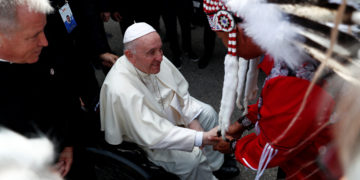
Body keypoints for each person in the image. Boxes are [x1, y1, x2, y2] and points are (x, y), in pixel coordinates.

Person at [202, 0, 337, 179]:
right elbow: (278, 107)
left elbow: (273, 146)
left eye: (222, 38)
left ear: (241, 32)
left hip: (312, 169)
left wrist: (234, 147)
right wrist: (245, 122)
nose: (226, 47)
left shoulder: (294, 79)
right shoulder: (296, 50)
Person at [100, 22, 239, 180]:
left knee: (208, 113)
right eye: (152, 52)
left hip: (171, 116)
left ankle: (216, 166)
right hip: (149, 139)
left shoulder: (154, 57)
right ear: (130, 56)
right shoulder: (119, 88)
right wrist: (200, 137)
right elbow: (150, 133)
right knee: (192, 159)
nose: (160, 57)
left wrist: (191, 118)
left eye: (160, 49)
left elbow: (179, 90)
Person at [0, 0, 78, 177]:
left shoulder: (41, 42)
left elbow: (65, 91)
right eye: (34, 36)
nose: (45, 42)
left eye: (43, 30)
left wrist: (68, 143)